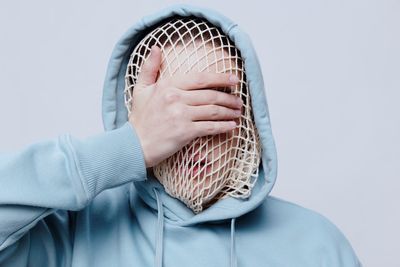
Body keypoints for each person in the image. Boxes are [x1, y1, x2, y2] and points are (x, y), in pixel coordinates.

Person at [0, 4, 362, 267]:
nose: (191, 142)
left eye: (211, 111)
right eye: (169, 114)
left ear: (250, 121)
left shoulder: (316, 245)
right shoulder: (75, 233)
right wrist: (130, 146)